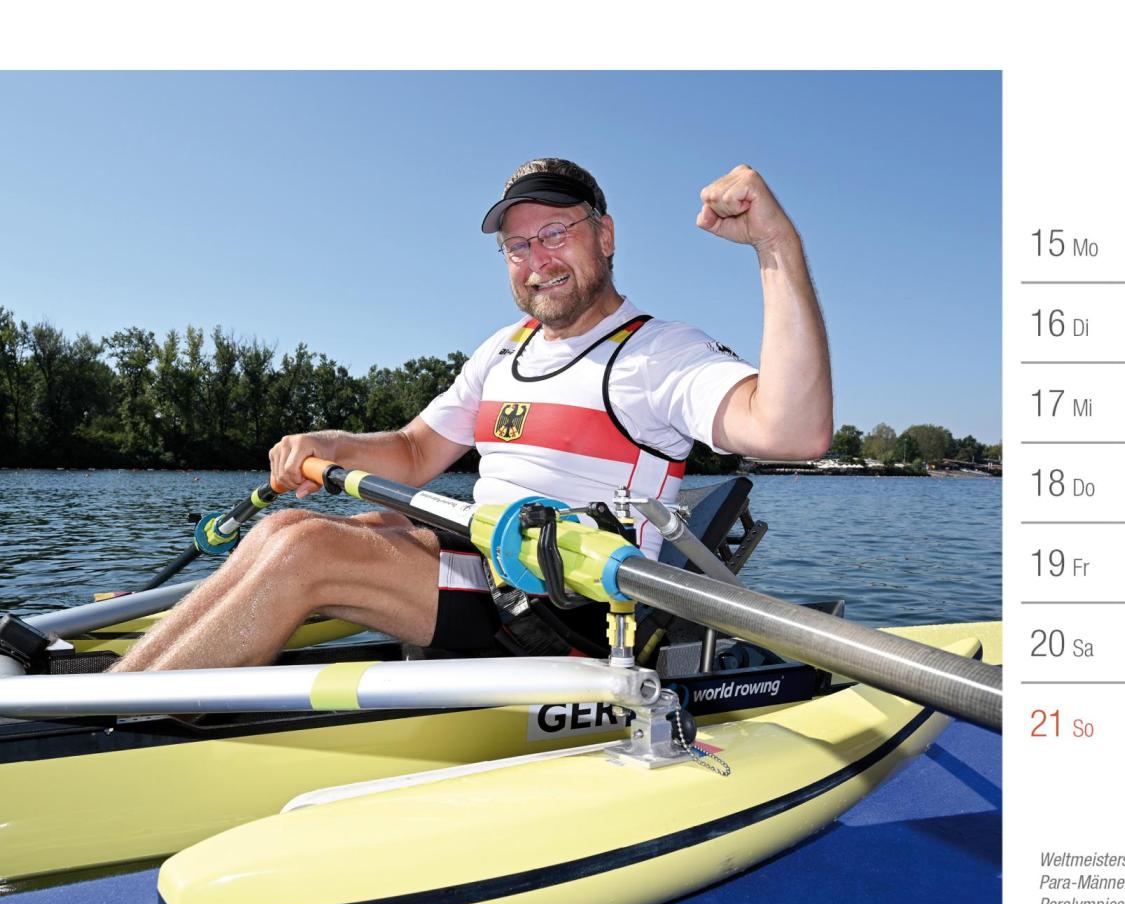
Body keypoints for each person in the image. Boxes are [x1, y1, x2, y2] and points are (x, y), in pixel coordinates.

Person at [111, 159, 831, 671]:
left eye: (557, 232)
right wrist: (327, 441)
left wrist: (776, 244)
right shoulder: (505, 348)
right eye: (517, 244)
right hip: (489, 565)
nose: (537, 258)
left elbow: (792, 431)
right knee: (285, 527)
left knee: (309, 551)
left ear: (605, 235)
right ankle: (123, 691)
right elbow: (413, 452)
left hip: (572, 608)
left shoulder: (657, 353)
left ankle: (114, 725)